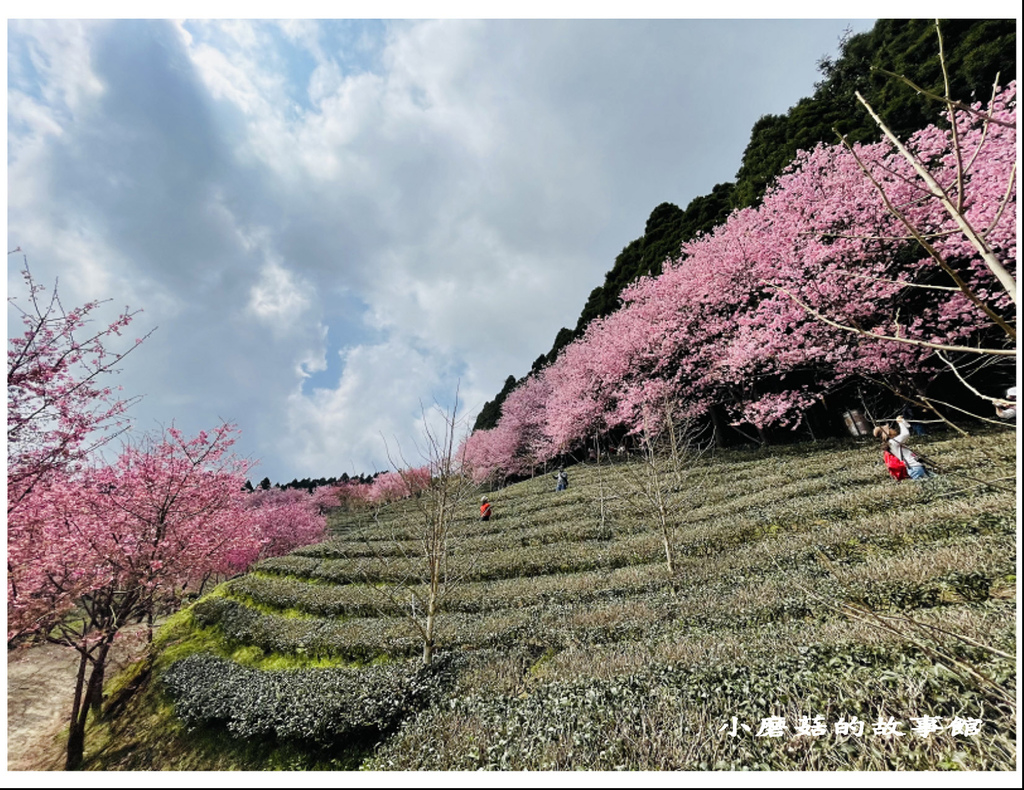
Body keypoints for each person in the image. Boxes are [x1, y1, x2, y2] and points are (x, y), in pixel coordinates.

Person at [873, 416, 932, 481]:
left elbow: (907, 428)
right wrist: (900, 422)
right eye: (890, 429)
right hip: (914, 468)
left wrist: (902, 421)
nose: (892, 429)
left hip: (916, 466)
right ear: (888, 433)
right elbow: (905, 434)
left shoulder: (892, 443)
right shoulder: (892, 442)